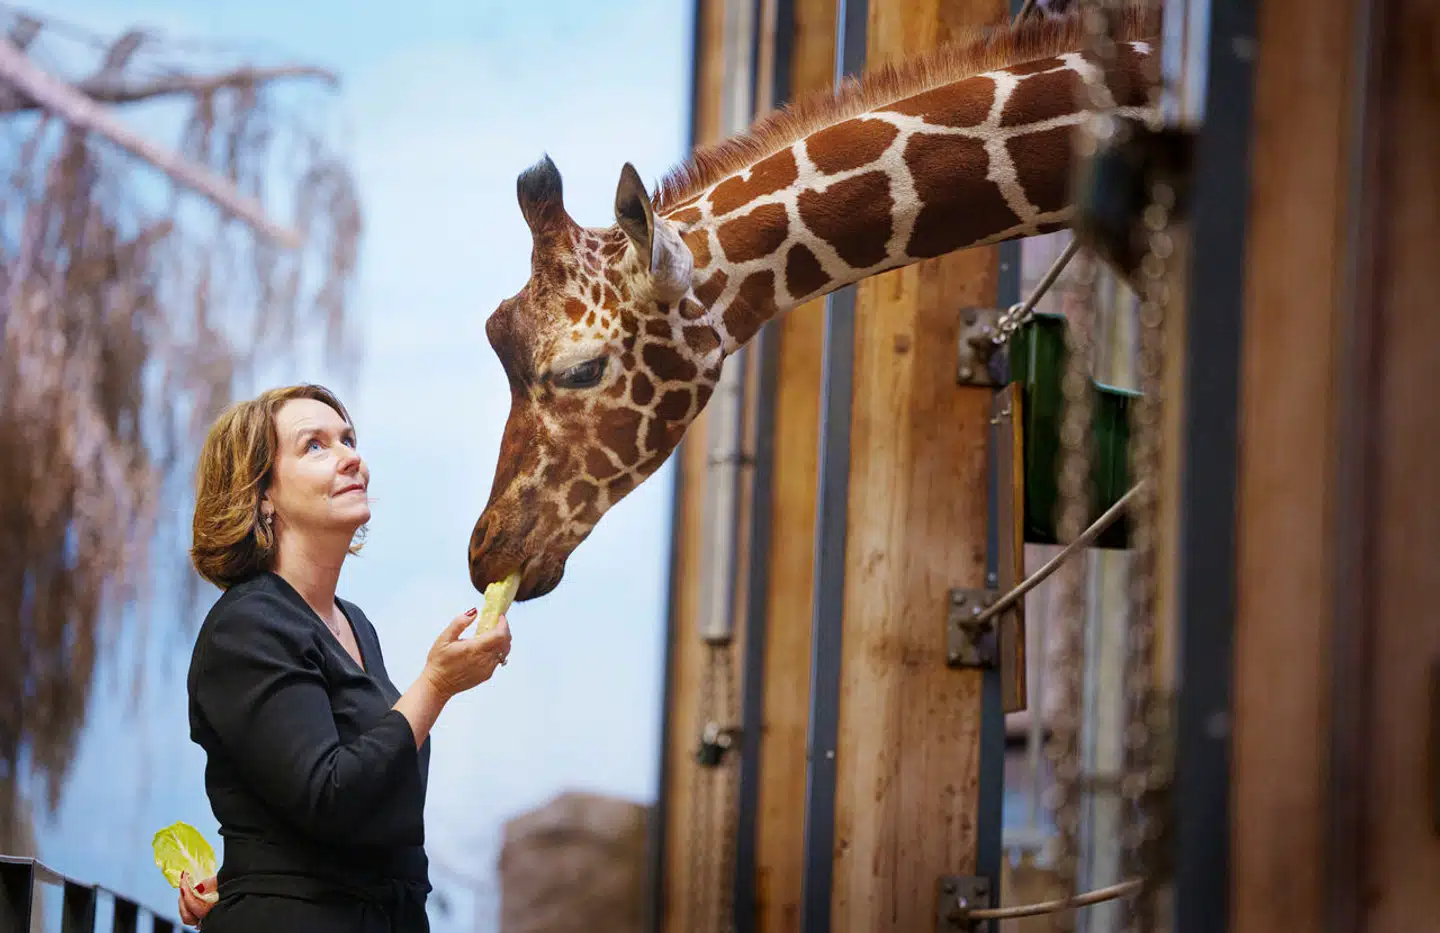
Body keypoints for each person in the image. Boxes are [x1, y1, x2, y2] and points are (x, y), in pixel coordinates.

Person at [174, 383, 512, 931]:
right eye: (316, 445)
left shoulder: (355, 625)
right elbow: (329, 796)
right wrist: (437, 684)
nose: (352, 456)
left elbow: (374, 795)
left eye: (348, 438)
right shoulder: (249, 624)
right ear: (262, 494)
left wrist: (247, 871)